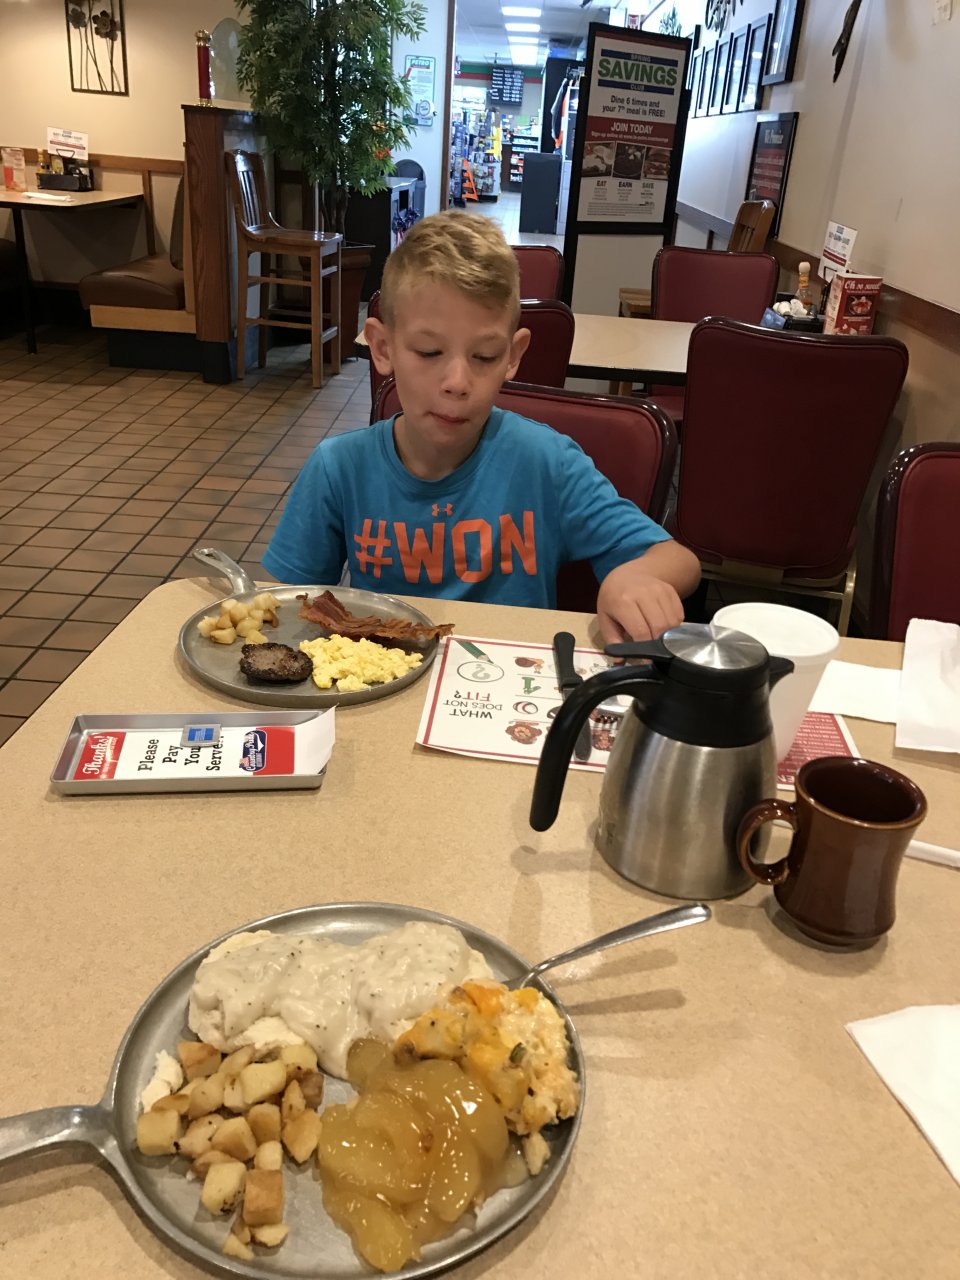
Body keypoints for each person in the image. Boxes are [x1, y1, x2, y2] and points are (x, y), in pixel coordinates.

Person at [262, 211, 700, 642]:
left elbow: (677, 559)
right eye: (429, 352)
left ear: (513, 356)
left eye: (485, 356)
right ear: (382, 347)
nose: (457, 382)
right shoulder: (338, 469)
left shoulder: (547, 463)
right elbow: (289, 609)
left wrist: (635, 578)